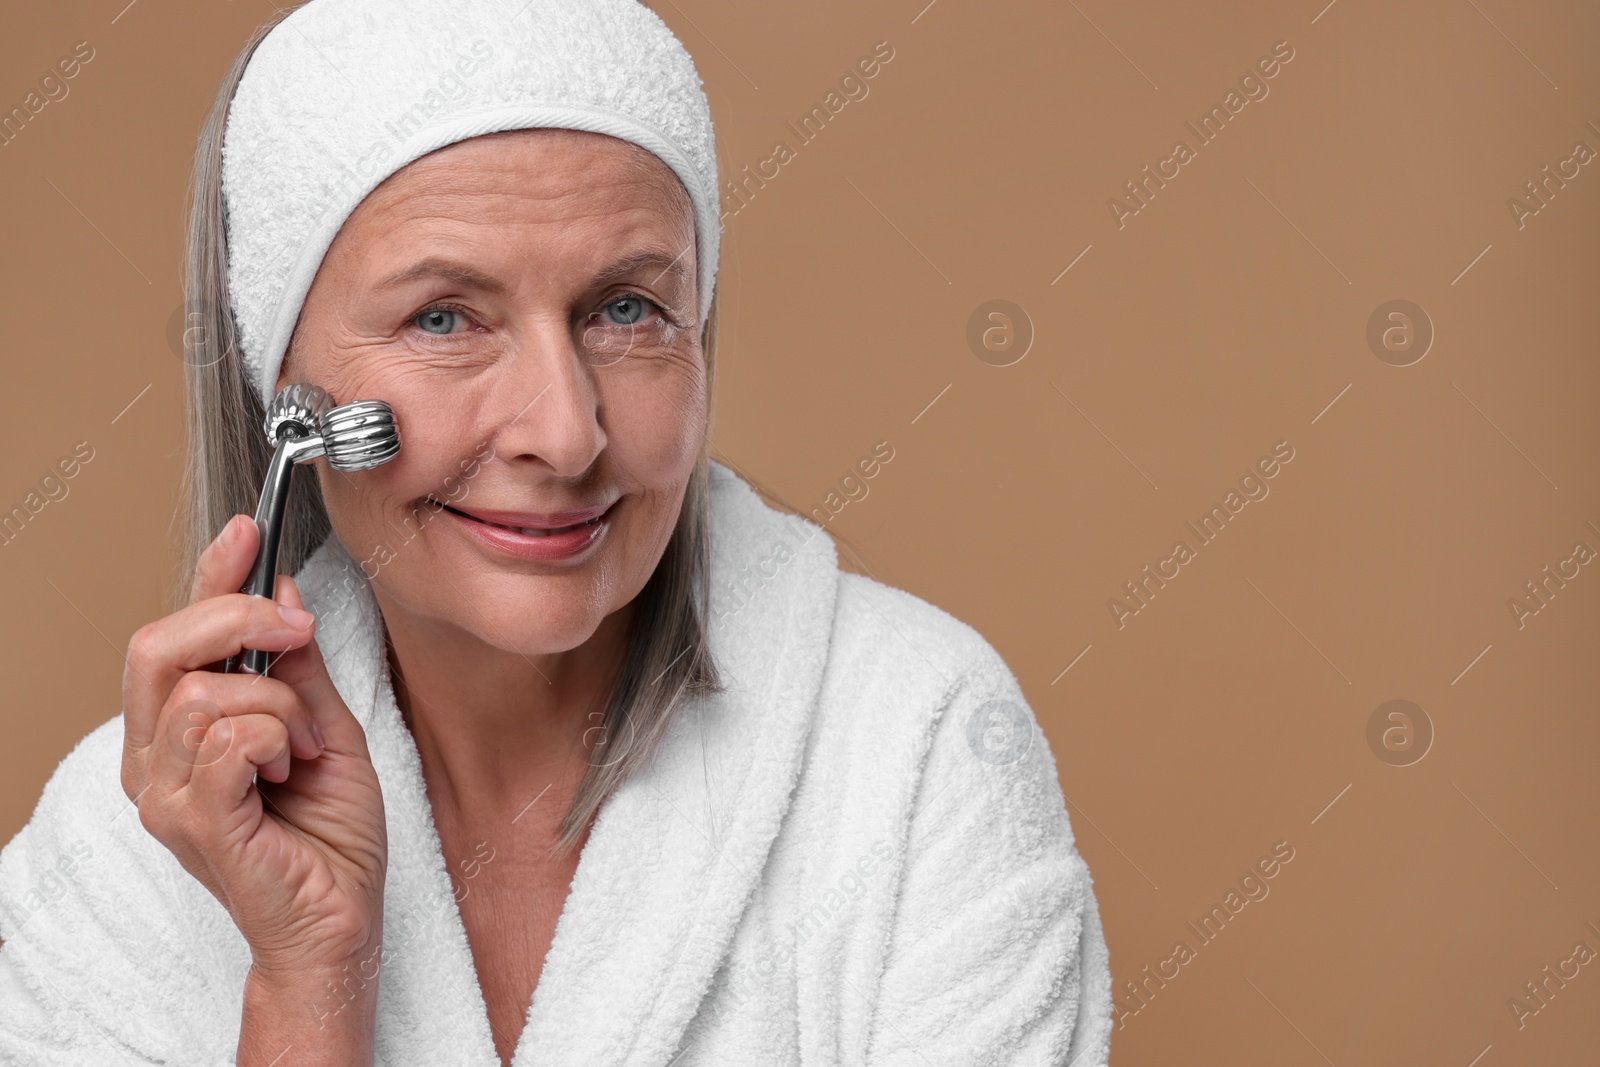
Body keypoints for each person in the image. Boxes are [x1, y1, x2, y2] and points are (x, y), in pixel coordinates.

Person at [0, 1, 1113, 1063]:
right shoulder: (115, 854)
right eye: (444, 317)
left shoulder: (918, 747)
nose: (566, 431)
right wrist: (310, 982)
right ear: (288, 395)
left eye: (626, 309)